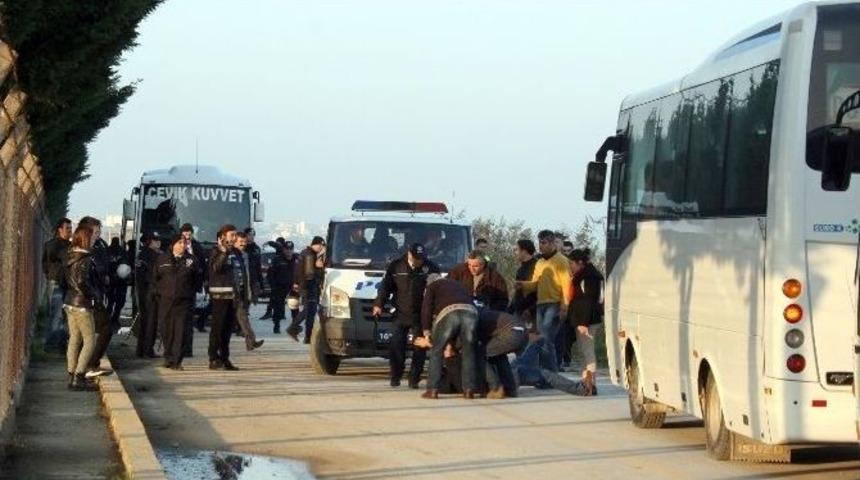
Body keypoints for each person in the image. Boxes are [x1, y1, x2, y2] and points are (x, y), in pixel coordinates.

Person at [372, 243, 441, 388]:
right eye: (417, 258)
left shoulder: (431, 268)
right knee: (396, 346)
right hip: (400, 313)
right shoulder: (396, 266)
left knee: (419, 348)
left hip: (421, 315)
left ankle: (414, 379)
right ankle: (395, 376)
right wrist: (379, 304)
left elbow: (437, 290)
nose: (419, 261)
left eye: (422, 258)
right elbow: (385, 287)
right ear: (409, 254)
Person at [516, 230, 572, 373]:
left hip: (554, 304)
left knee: (545, 339)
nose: (541, 246)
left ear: (553, 243)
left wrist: (564, 306)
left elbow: (567, 285)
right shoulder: (540, 262)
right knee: (544, 341)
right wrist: (523, 285)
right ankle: (546, 374)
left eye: (544, 243)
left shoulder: (561, 261)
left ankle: (550, 375)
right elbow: (535, 283)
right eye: (540, 243)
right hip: (541, 304)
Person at [416, 275, 480, 399]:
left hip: (449, 312)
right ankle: (468, 390)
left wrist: (426, 331)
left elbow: (426, 308)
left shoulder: (432, 286)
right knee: (468, 351)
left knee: (437, 350)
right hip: (471, 313)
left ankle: (432, 390)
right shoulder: (458, 285)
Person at [63, 224, 101, 391]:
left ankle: (71, 374)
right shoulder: (85, 258)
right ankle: (79, 375)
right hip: (82, 304)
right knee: (90, 341)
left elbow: (69, 280)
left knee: (74, 339)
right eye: (93, 237)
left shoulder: (70, 255)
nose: (95, 239)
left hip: (70, 302)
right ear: (86, 238)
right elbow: (82, 282)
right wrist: (93, 295)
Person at [155, 235, 200, 370]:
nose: (182, 245)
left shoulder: (191, 260)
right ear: (172, 245)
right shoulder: (162, 259)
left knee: (180, 332)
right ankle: (168, 356)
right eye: (179, 242)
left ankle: (176, 360)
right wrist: (158, 294)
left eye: (185, 243)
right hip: (165, 301)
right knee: (166, 330)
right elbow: (155, 278)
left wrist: (190, 293)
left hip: (183, 301)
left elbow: (197, 279)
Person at [79, 216, 113, 377]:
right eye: (95, 232)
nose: (98, 235)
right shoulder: (82, 250)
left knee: (98, 330)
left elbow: (104, 265)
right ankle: (89, 365)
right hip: (87, 298)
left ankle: (88, 365)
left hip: (97, 294)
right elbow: (83, 278)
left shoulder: (99, 246)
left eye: (99, 231)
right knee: (103, 330)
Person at [567, 248, 604, 394]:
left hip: (587, 320)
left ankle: (591, 384)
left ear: (580, 263)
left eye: (572, 264)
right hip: (584, 319)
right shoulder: (584, 275)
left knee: (588, 352)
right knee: (584, 351)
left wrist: (583, 322)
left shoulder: (589, 277)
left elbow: (588, 300)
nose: (571, 267)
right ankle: (585, 382)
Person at [207, 224, 240, 370]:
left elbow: (241, 274)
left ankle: (225, 358)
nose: (234, 238)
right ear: (222, 237)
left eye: (235, 235)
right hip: (219, 296)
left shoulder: (236, 252)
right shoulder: (215, 251)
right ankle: (213, 358)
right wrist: (223, 252)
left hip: (232, 297)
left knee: (227, 330)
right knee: (217, 329)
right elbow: (216, 268)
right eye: (231, 235)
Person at [478, 310, 527, 399]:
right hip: (520, 331)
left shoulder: (472, 316)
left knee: (478, 354)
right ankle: (510, 389)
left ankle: (495, 388)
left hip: (510, 332)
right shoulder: (481, 312)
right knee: (498, 355)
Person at [288, 236, 326, 343]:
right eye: (321, 246)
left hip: (305, 286)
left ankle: (307, 336)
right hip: (309, 287)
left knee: (310, 312)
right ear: (317, 244)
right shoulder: (309, 255)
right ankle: (293, 329)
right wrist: (318, 267)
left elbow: (298, 271)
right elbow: (310, 274)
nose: (321, 248)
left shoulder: (305, 253)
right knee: (308, 311)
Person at [43, 217, 72, 350]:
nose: (70, 231)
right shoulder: (53, 244)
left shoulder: (70, 245)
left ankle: (60, 342)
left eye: (71, 228)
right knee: (56, 313)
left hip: (66, 283)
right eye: (67, 228)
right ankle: (51, 343)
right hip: (57, 282)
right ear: (60, 229)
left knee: (64, 314)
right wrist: (51, 275)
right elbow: (47, 262)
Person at [234, 232, 264, 350]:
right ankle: (251, 341)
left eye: (244, 242)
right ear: (235, 242)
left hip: (243, 290)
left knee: (243, 316)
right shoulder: (230, 255)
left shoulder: (245, 255)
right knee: (242, 317)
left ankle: (250, 342)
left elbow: (247, 274)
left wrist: (250, 290)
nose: (243, 244)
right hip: (233, 291)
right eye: (240, 242)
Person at [135, 233, 161, 358]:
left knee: (144, 321)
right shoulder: (154, 256)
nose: (158, 242)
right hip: (151, 291)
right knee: (151, 322)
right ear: (150, 242)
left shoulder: (141, 254)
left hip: (142, 291)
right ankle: (147, 350)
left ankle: (141, 349)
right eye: (156, 240)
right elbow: (154, 275)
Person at [180, 223, 207, 339]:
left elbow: (203, 263)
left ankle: (188, 340)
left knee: (190, 310)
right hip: (179, 283)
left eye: (189, 232)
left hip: (193, 282)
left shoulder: (197, 246)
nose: (187, 234)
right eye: (185, 232)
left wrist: (204, 278)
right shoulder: (176, 245)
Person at [270, 240, 298, 335]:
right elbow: (271, 274)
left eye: (291, 249)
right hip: (280, 286)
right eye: (287, 249)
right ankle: (276, 325)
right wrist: (273, 286)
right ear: (283, 250)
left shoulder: (297, 259)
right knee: (278, 307)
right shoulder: (277, 260)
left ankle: (294, 326)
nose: (289, 251)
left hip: (293, 287)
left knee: (294, 306)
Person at [509, 239, 538, 328]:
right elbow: (519, 292)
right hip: (519, 310)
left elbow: (539, 290)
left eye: (517, 250)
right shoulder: (521, 269)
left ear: (524, 251)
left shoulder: (536, 267)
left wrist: (531, 310)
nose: (515, 253)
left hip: (531, 313)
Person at [260, 237, 286, 320]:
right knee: (279, 297)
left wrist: (268, 242)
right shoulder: (280, 253)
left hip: (278, 278)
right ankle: (280, 314)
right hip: (277, 278)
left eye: (278, 243)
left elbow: (276, 245)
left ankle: (270, 312)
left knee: (275, 297)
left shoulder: (281, 250)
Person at [106, 237, 129, 327]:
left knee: (110, 301)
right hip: (121, 280)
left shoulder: (107, 250)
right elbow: (126, 264)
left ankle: (108, 318)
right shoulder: (122, 251)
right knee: (119, 301)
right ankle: (115, 318)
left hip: (111, 279)